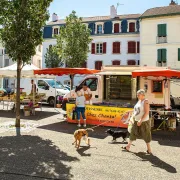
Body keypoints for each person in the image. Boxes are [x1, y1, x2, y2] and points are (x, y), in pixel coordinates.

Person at [122, 89, 152, 154]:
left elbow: (146, 112)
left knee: (146, 134)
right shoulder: (139, 101)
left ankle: (149, 149)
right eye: (137, 94)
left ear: (142, 94)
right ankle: (128, 146)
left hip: (144, 121)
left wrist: (141, 120)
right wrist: (128, 111)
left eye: (138, 94)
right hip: (136, 120)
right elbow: (136, 110)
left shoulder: (145, 101)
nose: (137, 95)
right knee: (133, 132)